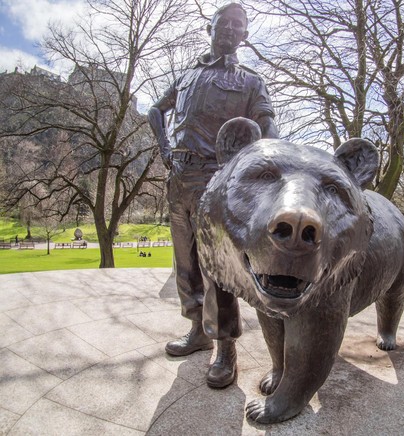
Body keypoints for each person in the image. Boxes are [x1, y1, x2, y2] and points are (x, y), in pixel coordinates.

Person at [148, 3, 278, 389]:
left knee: (216, 267)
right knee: (185, 263)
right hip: (178, 177)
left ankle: (225, 350)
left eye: (239, 25)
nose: (231, 28)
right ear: (211, 27)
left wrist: (266, 163)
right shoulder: (188, 73)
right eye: (225, 22)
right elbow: (156, 110)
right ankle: (197, 331)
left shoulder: (251, 81)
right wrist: (163, 148)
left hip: (215, 178)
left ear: (245, 36)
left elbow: (267, 126)